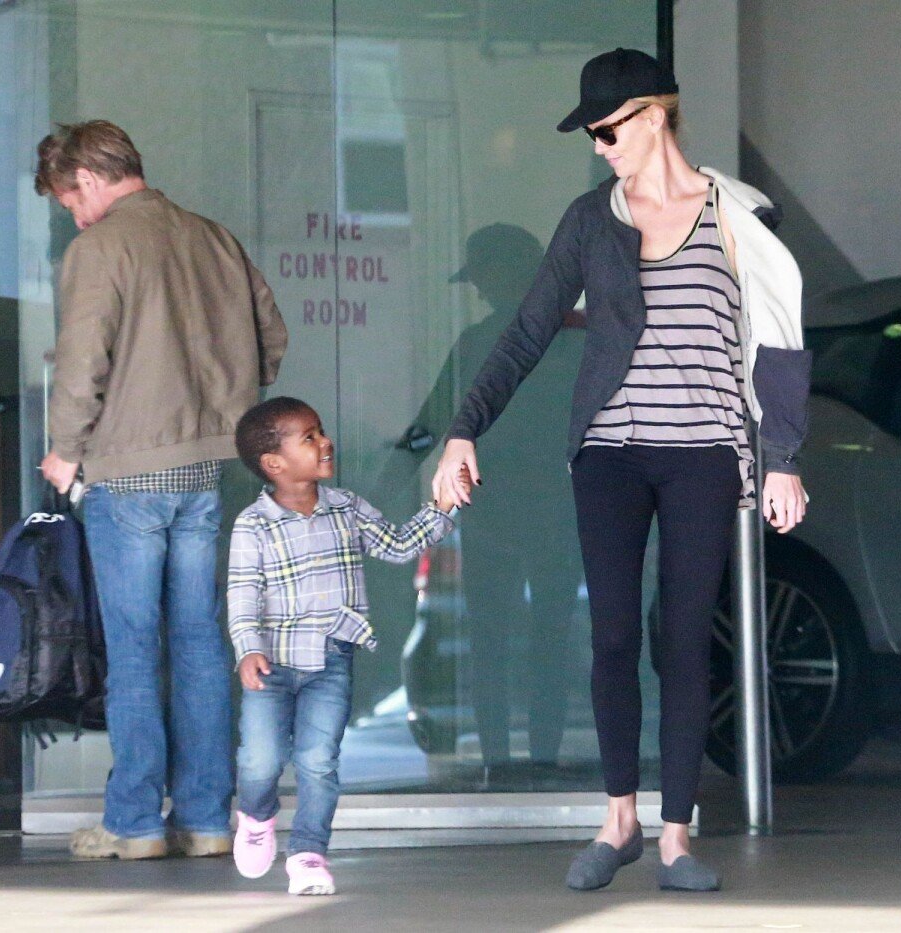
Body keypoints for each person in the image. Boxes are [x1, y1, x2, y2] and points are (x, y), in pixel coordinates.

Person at [432, 48, 811, 893]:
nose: (599, 146)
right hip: (609, 451)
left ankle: (676, 834)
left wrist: (781, 459)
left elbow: (781, 341)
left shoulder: (736, 216)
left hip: (706, 454)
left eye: (606, 129)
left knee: (681, 636)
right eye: (592, 134)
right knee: (610, 635)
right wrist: (465, 429)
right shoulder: (588, 219)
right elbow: (528, 330)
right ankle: (620, 819)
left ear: (652, 116)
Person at [35, 120, 289, 860]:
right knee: (201, 643)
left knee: (136, 648)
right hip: (206, 470)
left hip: (128, 471)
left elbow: (83, 360)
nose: (74, 217)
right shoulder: (214, 238)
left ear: (86, 178)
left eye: (67, 200)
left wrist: (63, 451)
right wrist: (228, 397)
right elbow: (272, 336)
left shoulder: (101, 246)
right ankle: (209, 817)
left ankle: (136, 821)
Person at [227, 397, 468, 895]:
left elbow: (399, 546)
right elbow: (243, 593)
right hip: (271, 663)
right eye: (309, 437)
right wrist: (248, 648)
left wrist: (441, 507)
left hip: (331, 659)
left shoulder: (347, 508)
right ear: (274, 464)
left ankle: (309, 854)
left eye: (321, 431)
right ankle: (256, 814)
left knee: (319, 760)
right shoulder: (255, 525)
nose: (325, 442)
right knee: (261, 761)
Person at [401, 224, 584, 787]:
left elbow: (430, 425)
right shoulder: (579, 340)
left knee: (489, 637)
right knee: (552, 631)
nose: (478, 290)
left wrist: (392, 469)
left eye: (481, 277)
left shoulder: (481, 343)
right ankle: (543, 756)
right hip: (560, 506)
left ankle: (498, 761)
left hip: (495, 510)